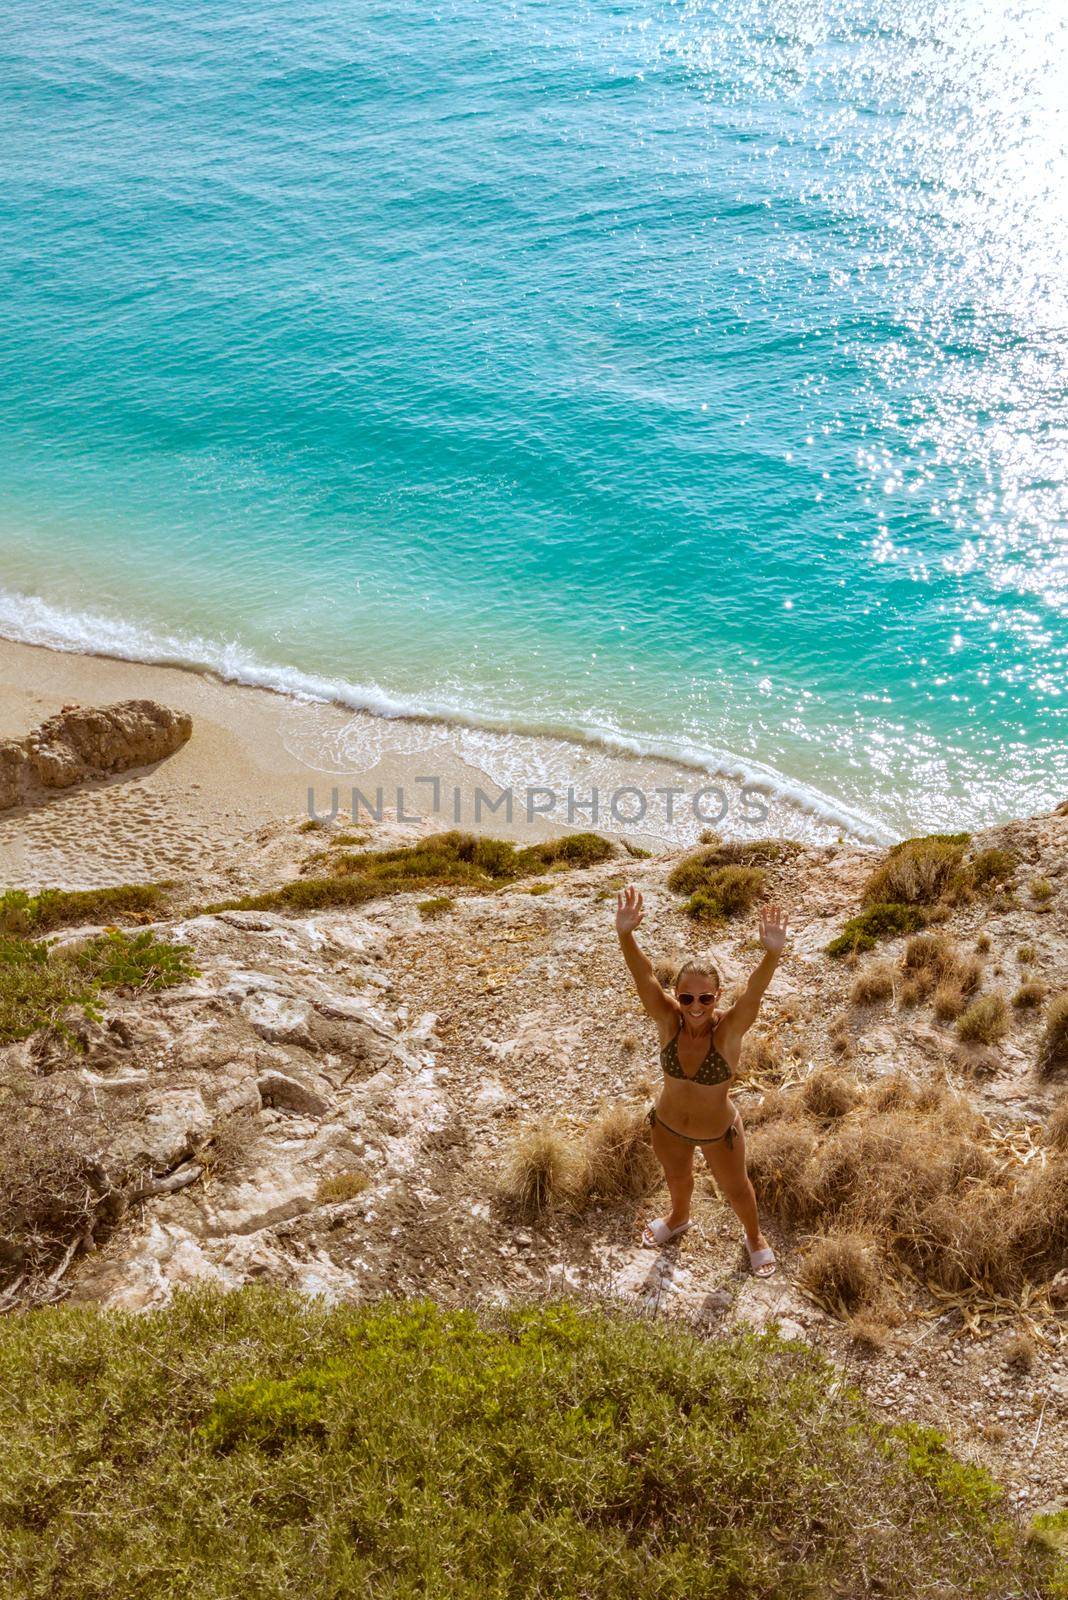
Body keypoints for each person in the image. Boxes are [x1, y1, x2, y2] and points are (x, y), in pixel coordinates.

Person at [614, 884, 788, 1276]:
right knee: (677, 1177)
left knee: (737, 1190)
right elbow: (644, 978)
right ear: (678, 996)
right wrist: (626, 935)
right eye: (688, 998)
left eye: (705, 999)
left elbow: (754, 995)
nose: (696, 1007)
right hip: (669, 1126)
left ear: (716, 997)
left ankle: (755, 1237)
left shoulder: (726, 1034)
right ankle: (678, 1218)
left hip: (718, 1133)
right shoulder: (667, 1021)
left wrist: (772, 954)